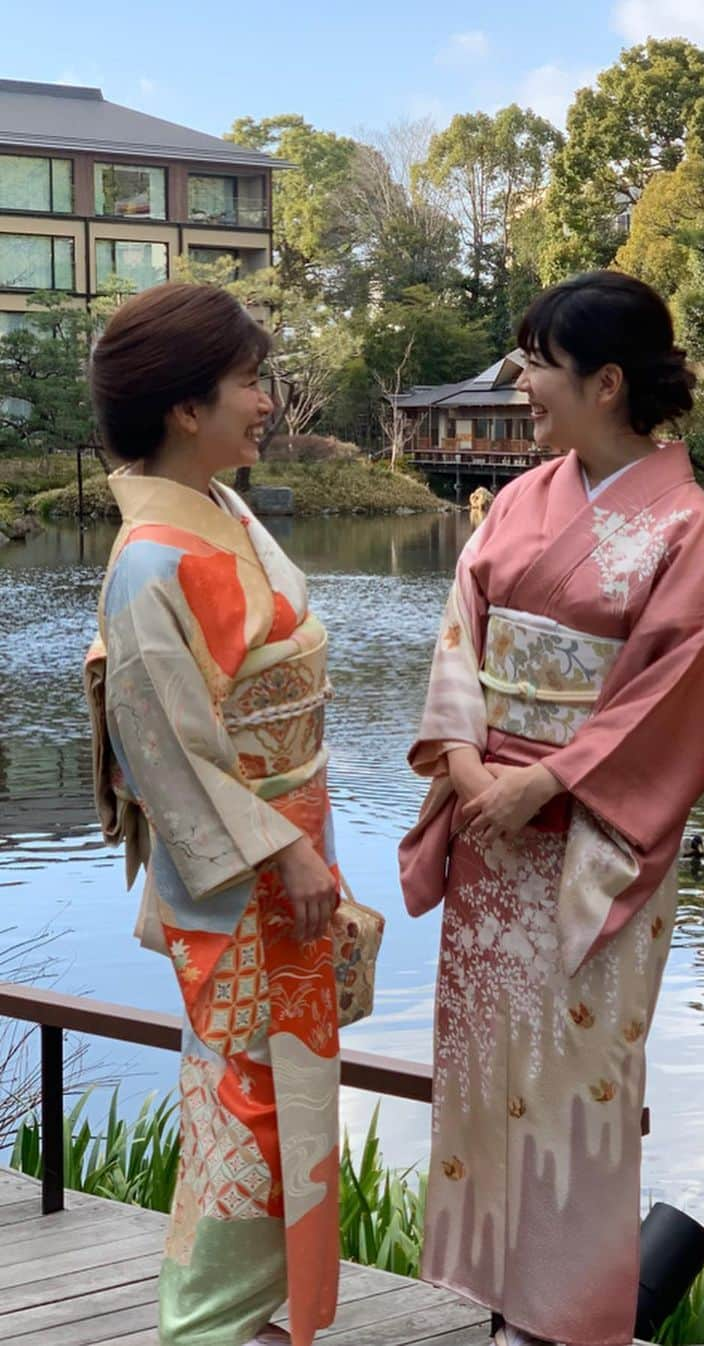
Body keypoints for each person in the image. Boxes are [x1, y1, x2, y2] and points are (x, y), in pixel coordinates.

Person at [399, 270, 704, 1346]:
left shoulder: (691, 532)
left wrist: (547, 778)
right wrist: (463, 765)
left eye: (540, 363)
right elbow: (462, 633)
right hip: (491, 837)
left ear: (606, 380)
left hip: (593, 839)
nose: (526, 384)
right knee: (491, 1062)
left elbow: (677, 692)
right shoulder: (520, 500)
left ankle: (569, 1318)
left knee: (580, 1077)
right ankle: (506, 1299)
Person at [83, 283, 381, 1346]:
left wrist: (303, 843)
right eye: (250, 381)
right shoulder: (153, 561)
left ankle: (256, 1312)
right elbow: (163, 749)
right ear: (183, 408)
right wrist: (285, 851)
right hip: (255, 861)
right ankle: (207, 1321)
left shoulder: (223, 510)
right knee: (244, 1095)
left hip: (292, 837)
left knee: (280, 1081)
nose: (267, 401)